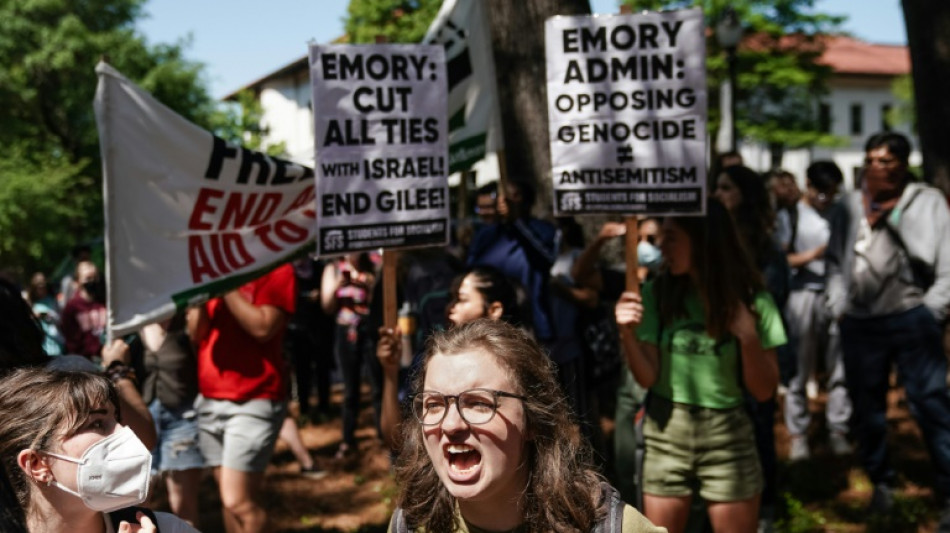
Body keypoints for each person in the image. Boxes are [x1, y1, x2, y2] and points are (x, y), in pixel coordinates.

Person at [388, 319, 666, 532]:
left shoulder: (611, 527)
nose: (450, 425)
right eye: (434, 404)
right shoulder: (411, 522)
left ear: (532, 419)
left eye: (478, 403)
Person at [615, 199, 785, 533]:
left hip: (728, 433)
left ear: (704, 239)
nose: (661, 245)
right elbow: (648, 378)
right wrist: (626, 333)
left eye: (672, 237)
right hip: (666, 430)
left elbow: (765, 391)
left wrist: (748, 337)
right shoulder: (655, 293)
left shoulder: (752, 299)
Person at [825, 131, 950, 524]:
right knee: (867, 407)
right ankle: (882, 481)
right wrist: (839, 306)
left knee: (930, 402)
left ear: (902, 164)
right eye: (871, 159)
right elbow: (834, 260)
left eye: (886, 161)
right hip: (861, 323)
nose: (877, 167)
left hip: (913, 316)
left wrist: (932, 310)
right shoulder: (848, 204)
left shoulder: (927, 201)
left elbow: (946, 258)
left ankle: (947, 489)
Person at [0, 366, 199, 533]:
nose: (125, 433)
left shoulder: (167, 528)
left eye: (117, 420)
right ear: (37, 464)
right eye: (97, 424)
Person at [187, 263, 295, 533]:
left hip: (254, 400)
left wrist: (225, 284)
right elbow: (195, 334)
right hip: (210, 400)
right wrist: (201, 294)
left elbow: (263, 328)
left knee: (237, 501)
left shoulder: (277, 268)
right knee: (230, 503)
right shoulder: (207, 272)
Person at [712, 165, 789, 531]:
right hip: (715, 356)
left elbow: (771, 300)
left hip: (753, 348)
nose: (718, 195)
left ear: (745, 193)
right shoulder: (710, 239)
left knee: (759, 427)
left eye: (726, 188)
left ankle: (766, 508)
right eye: (716, 188)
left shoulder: (763, 243)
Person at [376, 265, 524, 448]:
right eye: (435, 405)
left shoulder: (518, 365)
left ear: (494, 310)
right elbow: (396, 439)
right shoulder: (434, 362)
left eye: (461, 299)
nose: (452, 426)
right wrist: (390, 372)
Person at [783, 161, 852, 461]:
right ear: (808, 185)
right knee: (799, 367)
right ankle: (798, 434)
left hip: (837, 292)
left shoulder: (843, 213)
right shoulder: (792, 214)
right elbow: (785, 259)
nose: (825, 198)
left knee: (840, 365)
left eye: (831, 192)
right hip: (803, 293)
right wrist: (818, 253)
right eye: (820, 191)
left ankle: (838, 429)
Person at [136, 314, 203, 526]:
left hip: (182, 418)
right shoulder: (136, 322)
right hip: (144, 420)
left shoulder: (188, 322)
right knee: (139, 502)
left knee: (183, 507)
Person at [321, 251, 381, 462]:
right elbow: (327, 306)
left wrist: (369, 284)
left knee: (377, 386)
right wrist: (339, 283)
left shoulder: (374, 264)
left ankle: (382, 438)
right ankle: (348, 440)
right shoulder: (334, 268)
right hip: (345, 331)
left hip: (370, 330)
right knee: (350, 389)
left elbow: (380, 301)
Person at [60, 260, 107, 359]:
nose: (93, 281)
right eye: (88, 278)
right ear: (77, 282)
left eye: (95, 277)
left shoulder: (103, 302)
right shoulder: (71, 308)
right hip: (86, 362)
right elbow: (71, 341)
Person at [27, 272, 65, 356]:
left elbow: (60, 319)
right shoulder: (31, 303)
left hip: (55, 340)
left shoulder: (52, 300)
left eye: (43, 287)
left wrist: (47, 315)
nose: (41, 290)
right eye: (39, 288)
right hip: (41, 341)